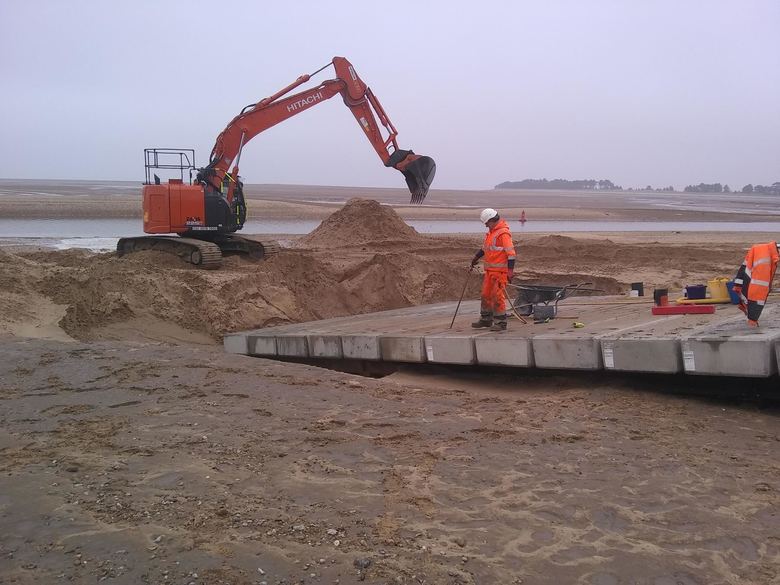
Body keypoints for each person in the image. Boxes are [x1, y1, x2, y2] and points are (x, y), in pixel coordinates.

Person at [470, 208, 516, 331]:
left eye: (486, 222)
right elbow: (485, 248)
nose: (485, 225)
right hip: (490, 271)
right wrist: (476, 257)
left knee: (497, 296)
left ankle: (501, 323)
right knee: (486, 294)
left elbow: (511, 254)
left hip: (500, 273)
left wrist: (510, 272)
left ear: (492, 220)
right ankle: (486, 319)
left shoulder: (503, 234)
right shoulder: (492, 232)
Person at [733, 241, 779, 327]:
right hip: (755, 290)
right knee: (758, 294)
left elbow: (744, 267)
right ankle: (752, 319)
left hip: (751, 285)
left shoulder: (759, 250)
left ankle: (752, 316)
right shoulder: (765, 262)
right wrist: (754, 317)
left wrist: (738, 285)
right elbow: (759, 291)